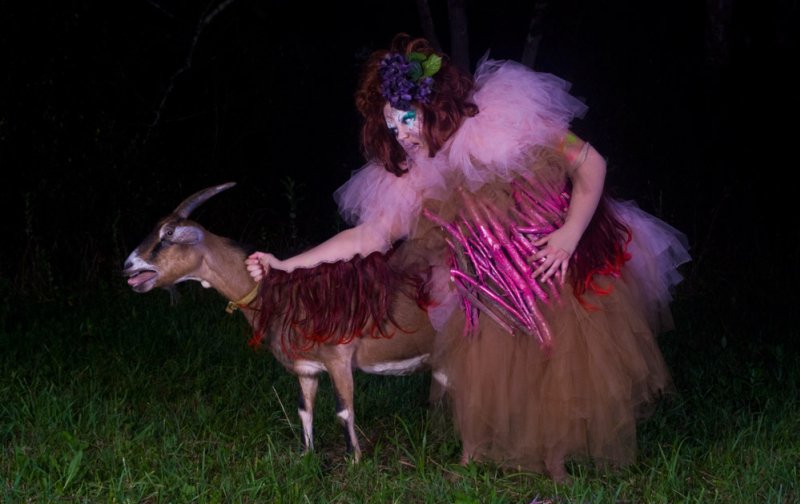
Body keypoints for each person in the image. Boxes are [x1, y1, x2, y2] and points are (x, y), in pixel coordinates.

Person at [246, 33, 690, 481]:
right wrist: (286, 264)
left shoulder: (502, 119)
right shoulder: (415, 175)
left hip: (548, 268)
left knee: (557, 358)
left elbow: (590, 163)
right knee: (481, 362)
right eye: (391, 126)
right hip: (486, 287)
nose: (399, 134)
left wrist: (569, 236)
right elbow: (370, 235)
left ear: (433, 105)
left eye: (405, 119)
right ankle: (475, 454)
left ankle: (555, 465)